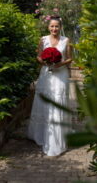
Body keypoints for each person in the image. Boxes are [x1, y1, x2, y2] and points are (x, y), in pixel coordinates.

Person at [27, 17, 72, 156]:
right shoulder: (43, 40)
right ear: (48, 27)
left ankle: (57, 140)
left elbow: (70, 58)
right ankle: (41, 134)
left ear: (60, 27)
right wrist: (45, 62)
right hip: (46, 74)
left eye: (57, 26)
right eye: (52, 26)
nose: (54, 29)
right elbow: (38, 56)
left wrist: (59, 64)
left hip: (60, 75)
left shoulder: (66, 40)